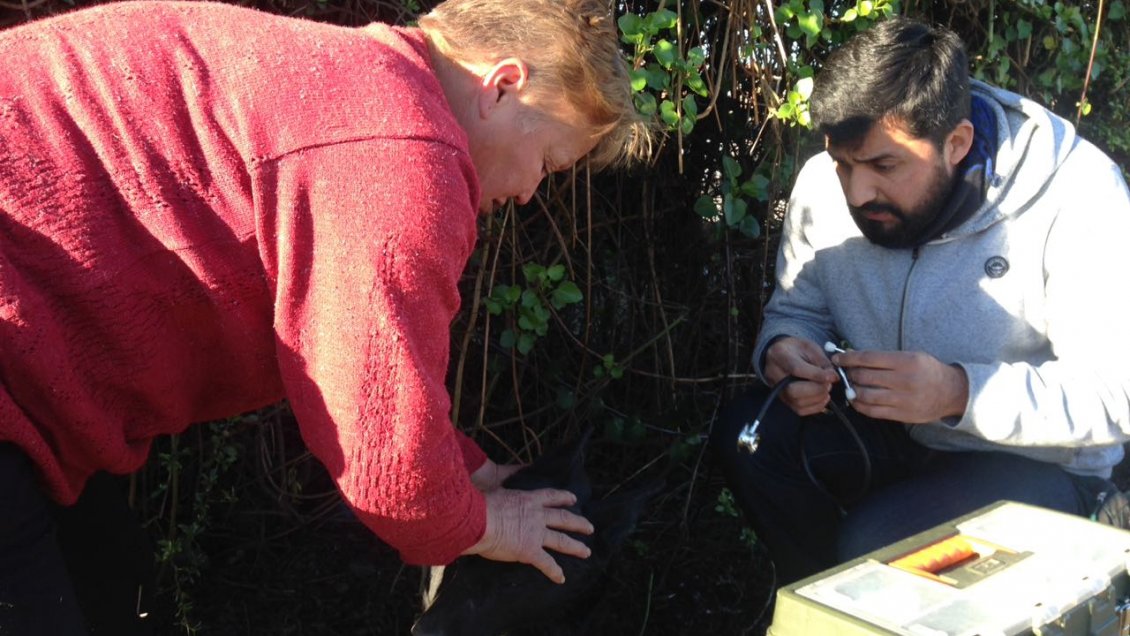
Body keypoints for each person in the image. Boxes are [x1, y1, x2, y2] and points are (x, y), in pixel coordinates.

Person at [0, 0, 652, 633]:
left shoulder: (362, 91)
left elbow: (369, 377)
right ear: (503, 86)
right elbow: (388, 467)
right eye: (547, 161)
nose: (528, 192)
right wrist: (488, 525)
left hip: (27, 378)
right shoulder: (400, 156)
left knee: (113, 594)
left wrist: (475, 474)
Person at [711, 16, 1130, 587]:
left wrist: (959, 392)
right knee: (749, 437)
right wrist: (784, 351)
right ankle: (817, 609)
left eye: (885, 166)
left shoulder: (1078, 195)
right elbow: (795, 312)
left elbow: (1114, 396)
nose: (857, 193)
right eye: (843, 165)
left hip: (1039, 464)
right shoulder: (821, 184)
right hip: (890, 433)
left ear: (955, 143)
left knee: (878, 550)